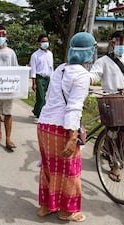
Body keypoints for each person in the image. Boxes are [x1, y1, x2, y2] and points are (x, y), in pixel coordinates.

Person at [36, 32, 96, 222]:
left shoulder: (61, 68)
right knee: (70, 171)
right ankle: (66, 211)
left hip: (44, 125)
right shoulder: (82, 75)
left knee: (48, 167)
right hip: (62, 129)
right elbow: (73, 108)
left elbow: (48, 98)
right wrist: (72, 137)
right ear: (88, 52)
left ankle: (45, 206)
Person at [89, 30, 124, 98]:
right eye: (120, 43)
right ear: (112, 43)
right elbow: (94, 75)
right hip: (111, 97)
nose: (123, 46)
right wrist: (86, 80)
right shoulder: (102, 61)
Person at [29, 34, 54, 120]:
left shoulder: (50, 54)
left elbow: (51, 67)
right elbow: (33, 70)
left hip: (48, 78)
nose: (45, 43)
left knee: (47, 97)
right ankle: (40, 115)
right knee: (41, 97)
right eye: (43, 41)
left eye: (46, 41)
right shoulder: (35, 55)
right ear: (39, 43)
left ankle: (36, 111)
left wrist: (53, 79)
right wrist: (34, 83)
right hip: (39, 78)